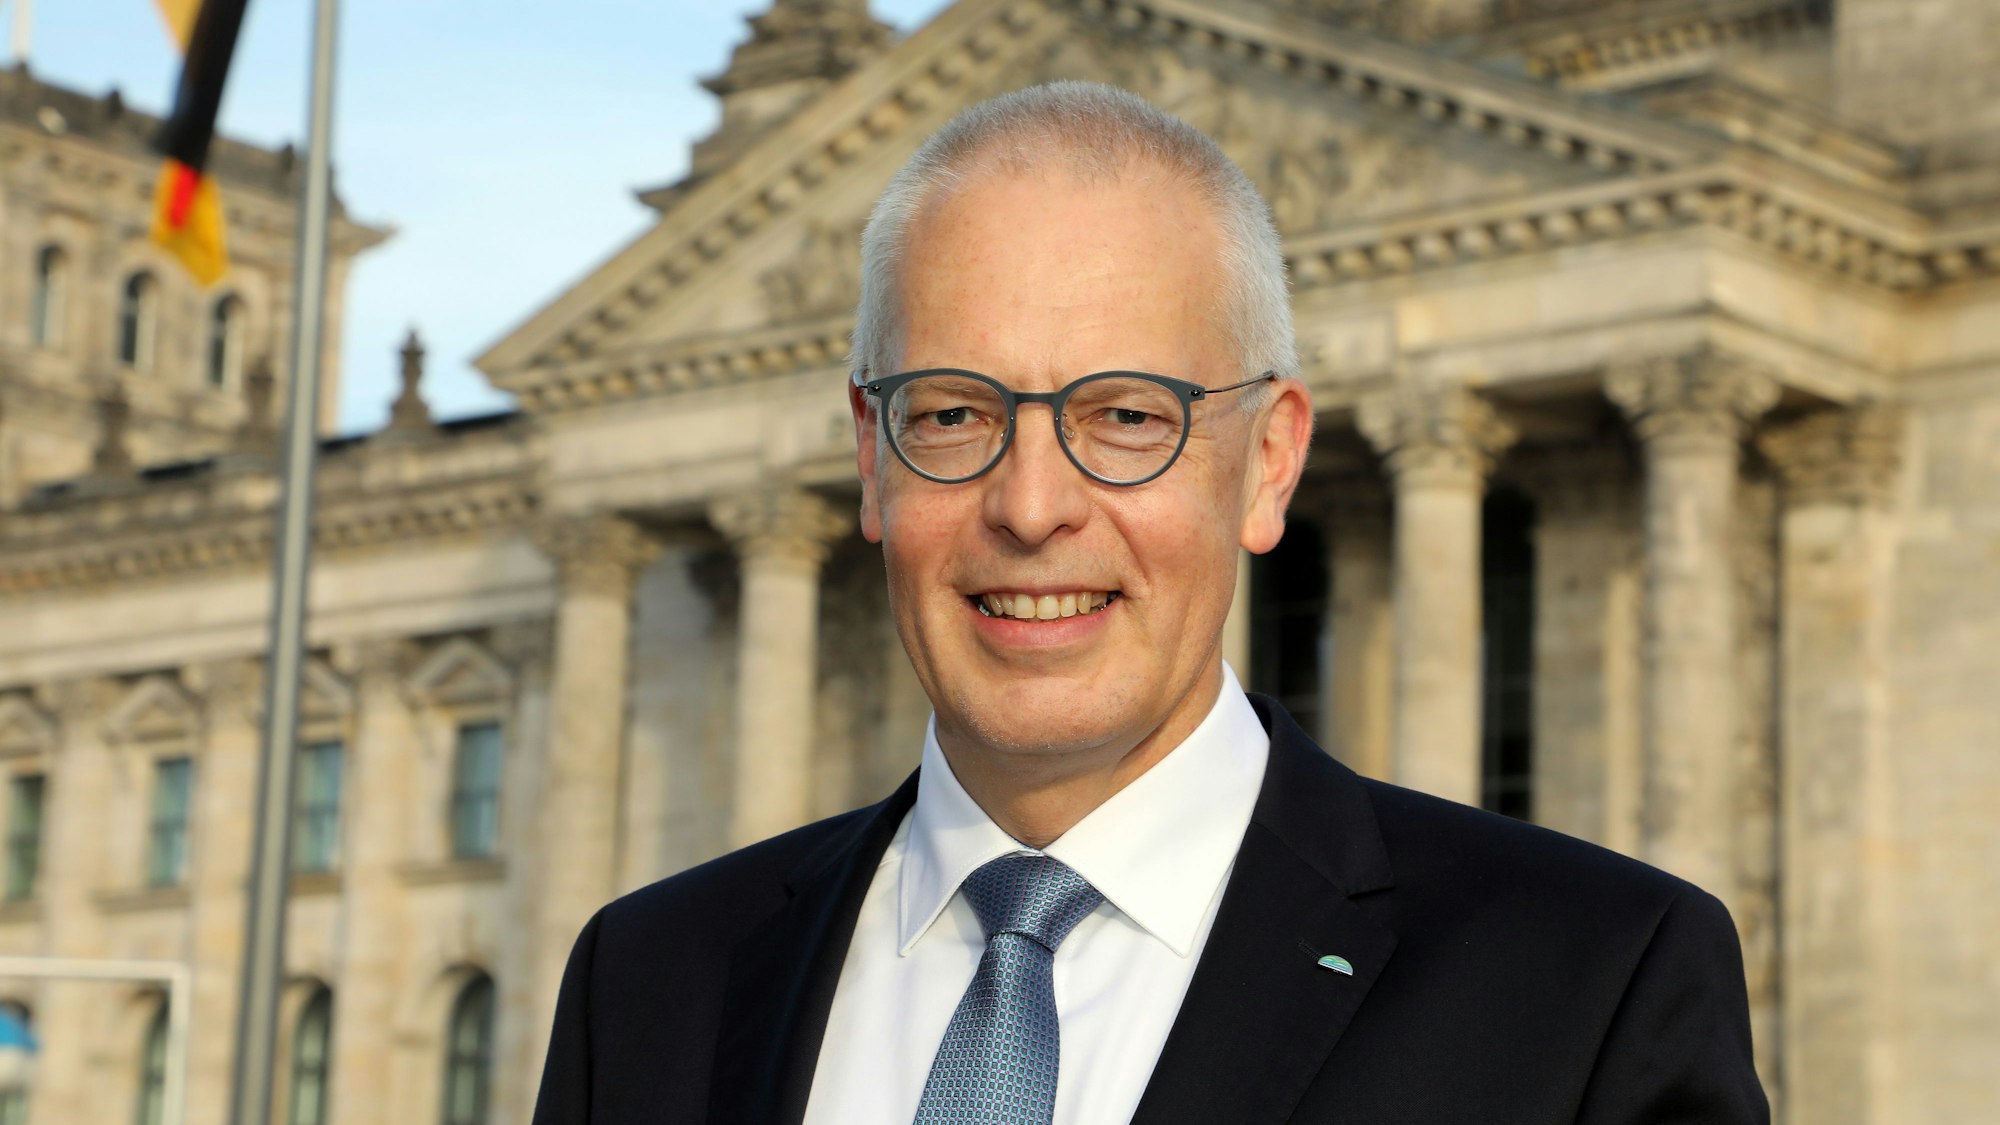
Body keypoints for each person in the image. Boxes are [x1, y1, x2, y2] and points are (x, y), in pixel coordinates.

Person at [532, 81, 1766, 1125]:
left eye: (1125, 417)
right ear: (870, 456)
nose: (1029, 507)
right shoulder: (646, 987)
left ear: (1268, 461)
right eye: (953, 413)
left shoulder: (1593, 983)